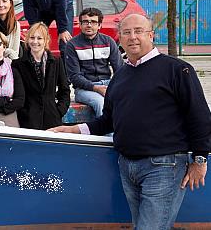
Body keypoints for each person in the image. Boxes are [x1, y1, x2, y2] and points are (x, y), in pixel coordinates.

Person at [49, 14, 211, 229]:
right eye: (126, 32)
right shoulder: (120, 77)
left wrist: (199, 160)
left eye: (138, 31)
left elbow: (199, 116)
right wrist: (72, 130)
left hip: (164, 166)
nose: (132, 37)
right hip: (127, 166)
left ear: (151, 35)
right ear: (120, 39)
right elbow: (108, 122)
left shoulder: (177, 70)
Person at [65, 8, 123, 118]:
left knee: (124, 102)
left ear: (99, 25)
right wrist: (96, 88)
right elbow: (74, 76)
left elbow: (120, 69)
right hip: (84, 89)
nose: (89, 25)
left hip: (107, 85)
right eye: (85, 22)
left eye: (93, 22)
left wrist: (114, 87)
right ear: (80, 25)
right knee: (101, 103)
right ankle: (107, 136)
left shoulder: (108, 42)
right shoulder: (72, 45)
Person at [12, 22, 70, 130]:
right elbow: (17, 93)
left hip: (52, 118)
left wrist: (59, 111)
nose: (35, 42)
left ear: (46, 40)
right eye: (32, 38)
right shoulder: (18, 64)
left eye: (39, 38)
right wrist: (24, 112)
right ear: (27, 39)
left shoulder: (56, 62)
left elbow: (64, 90)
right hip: (28, 119)